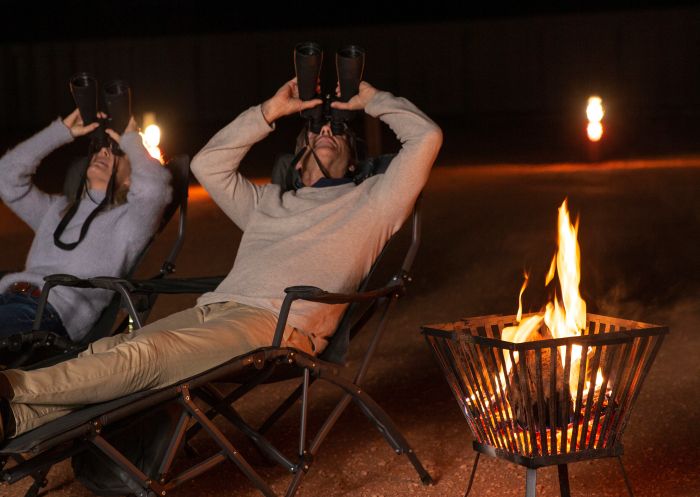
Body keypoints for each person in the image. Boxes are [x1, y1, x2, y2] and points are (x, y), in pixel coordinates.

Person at [0, 78, 442, 441]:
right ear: (298, 158)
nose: (325, 132)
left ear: (353, 162)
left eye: (339, 132)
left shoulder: (375, 200)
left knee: (148, 356)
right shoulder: (268, 202)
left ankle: (10, 386)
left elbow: (426, 137)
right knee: (111, 348)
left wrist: (369, 100)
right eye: (316, 131)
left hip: (275, 328)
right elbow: (210, 164)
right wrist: (269, 111)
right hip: (216, 310)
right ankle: (15, 421)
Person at [0, 109, 172, 343]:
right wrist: (60, 132)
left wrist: (132, 138)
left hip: (49, 313)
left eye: (117, 152)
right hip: (7, 297)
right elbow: (7, 176)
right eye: (102, 146)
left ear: (132, 178)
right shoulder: (56, 210)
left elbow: (154, 191)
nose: (104, 151)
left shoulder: (128, 223)